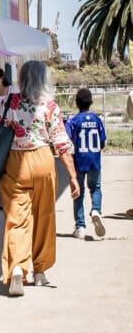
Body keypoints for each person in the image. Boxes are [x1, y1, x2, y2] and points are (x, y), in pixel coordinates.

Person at [0, 60, 79, 296]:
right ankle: (40, 271)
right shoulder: (50, 106)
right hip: (43, 159)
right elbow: (61, 144)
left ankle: (17, 268)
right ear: (44, 79)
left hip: (15, 162)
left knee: (16, 219)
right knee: (44, 216)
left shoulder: (9, 103)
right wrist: (73, 176)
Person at [64, 88, 107, 239]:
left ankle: (80, 227)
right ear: (91, 102)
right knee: (95, 188)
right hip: (94, 161)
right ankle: (96, 210)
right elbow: (102, 142)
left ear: (77, 103)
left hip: (79, 161)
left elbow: (65, 138)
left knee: (78, 192)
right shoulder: (97, 120)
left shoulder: (73, 121)